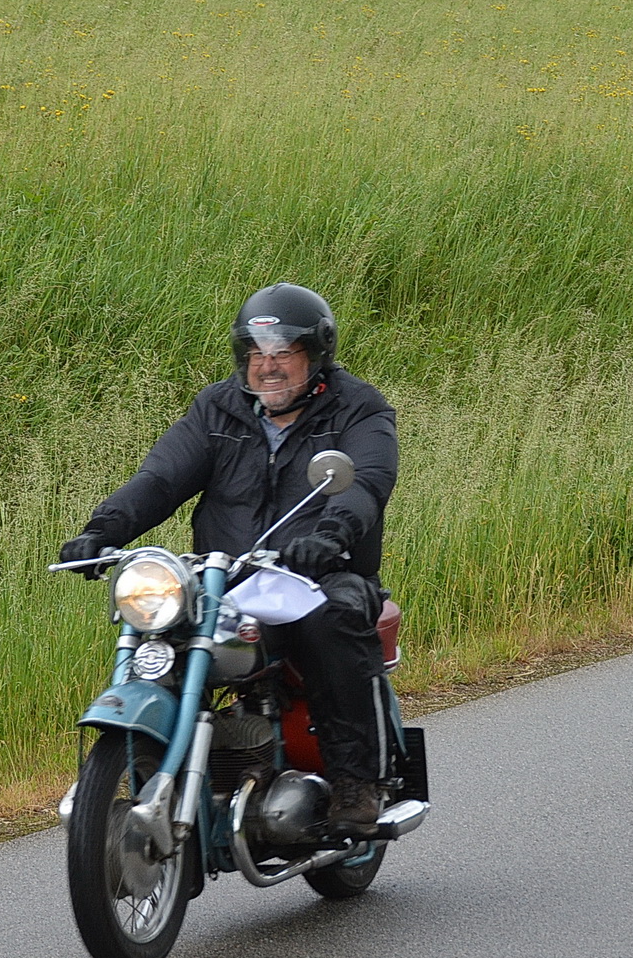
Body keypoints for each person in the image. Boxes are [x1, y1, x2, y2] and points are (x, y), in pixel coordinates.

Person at [58, 282, 398, 837]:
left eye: (283, 352)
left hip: (320, 573)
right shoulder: (217, 407)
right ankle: (170, 766)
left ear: (316, 354)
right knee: (160, 626)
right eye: (255, 353)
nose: (267, 367)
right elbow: (162, 478)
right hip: (229, 578)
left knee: (332, 620)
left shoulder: (358, 407)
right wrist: (102, 531)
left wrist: (331, 534)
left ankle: (355, 781)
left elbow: (366, 482)